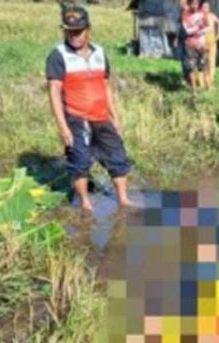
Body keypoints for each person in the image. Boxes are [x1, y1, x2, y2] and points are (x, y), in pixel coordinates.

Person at [46, 4, 133, 211]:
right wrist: (63, 127)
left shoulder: (100, 53)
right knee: (80, 161)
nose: (74, 35)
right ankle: (86, 204)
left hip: (102, 117)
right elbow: (54, 92)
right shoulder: (58, 55)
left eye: (78, 31)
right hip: (76, 118)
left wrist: (115, 116)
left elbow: (106, 86)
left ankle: (123, 200)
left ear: (88, 29)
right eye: (69, 31)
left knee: (117, 157)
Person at [182, 0, 209, 94]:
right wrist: (198, 28)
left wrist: (196, 30)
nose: (195, 6)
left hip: (201, 44)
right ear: (190, 4)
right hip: (190, 45)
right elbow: (187, 31)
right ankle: (194, 90)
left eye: (196, 4)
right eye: (193, 4)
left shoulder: (202, 14)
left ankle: (207, 86)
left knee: (204, 66)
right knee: (191, 68)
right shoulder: (186, 15)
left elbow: (207, 28)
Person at [202, 1, 219, 90]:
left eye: (207, 7)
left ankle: (211, 81)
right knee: (203, 62)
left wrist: (218, 34)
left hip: (212, 41)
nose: (205, 9)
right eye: (204, 7)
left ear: (209, 8)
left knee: (211, 62)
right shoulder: (200, 17)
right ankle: (204, 81)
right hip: (203, 41)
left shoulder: (212, 16)